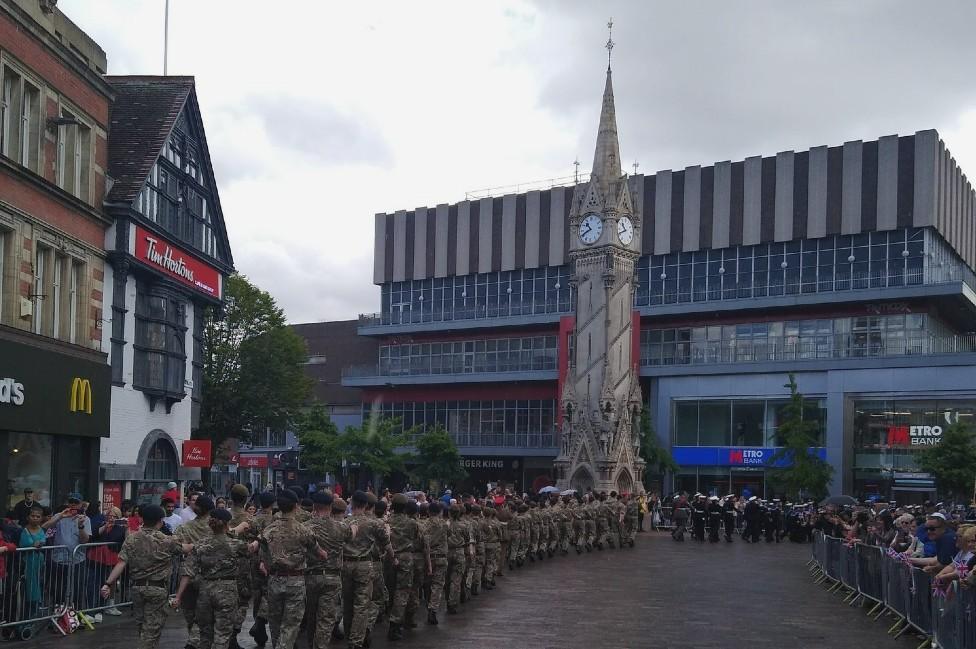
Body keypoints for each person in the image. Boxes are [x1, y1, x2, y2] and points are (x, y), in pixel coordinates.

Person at [101, 505, 191, 649]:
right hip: (157, 589)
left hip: (137, 588)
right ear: (160, 521)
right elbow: (186, 548)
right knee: (151, 632)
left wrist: (107, 583)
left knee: (144, 629)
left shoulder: (132, 539)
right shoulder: (166, 540)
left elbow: (121, 563)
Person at [258, 490, 325, 649]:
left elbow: (263, 558)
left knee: (275, 622)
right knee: (291, 624)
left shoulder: (268, 530)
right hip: (295, 580)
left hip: (274, 580)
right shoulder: (303, 529)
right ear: (296, 506)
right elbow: (320, 553)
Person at [175, 508, 249, 649]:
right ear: (227, 524)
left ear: (210, 524)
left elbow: (188, 571)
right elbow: (250, 549)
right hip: (227, 591)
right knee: (222, 633)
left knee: (205, 634)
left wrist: (178, 596)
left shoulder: (200, 545)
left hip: (205, 591)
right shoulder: (236, 544)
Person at [341, 490, 394, 649]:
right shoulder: (374, 523)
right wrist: (393, 557)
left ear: (351, 504)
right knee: (362, 604)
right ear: (366, 505)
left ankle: (350, 634)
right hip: (364, 565)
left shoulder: (344, 522)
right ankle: (356, 641)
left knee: (348, 603)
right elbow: (386, 542)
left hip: (345, 565)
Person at [304, 491, 351, 649]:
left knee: (311, 616)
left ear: (313, 507)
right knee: (326, 619)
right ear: (331, 507)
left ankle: (311, 644)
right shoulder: (340, 527)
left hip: (310, 577)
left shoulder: (304, 527)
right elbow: (353, 533)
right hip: (332, 577)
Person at [43, 494, 91, 607]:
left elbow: (85, 541)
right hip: (59, 559)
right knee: (58, 589)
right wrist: (60, 516)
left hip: (77, 560)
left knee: (77, 589)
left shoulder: (85, 519)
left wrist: (80, 526)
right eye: (71, 501)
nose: (73, 504)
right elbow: (43, 528)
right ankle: (59, 615)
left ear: (80, 504)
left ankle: (76, 616)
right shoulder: (59, 516)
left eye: (76, 502)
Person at [386, 493, 419, 641]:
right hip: (405, 558)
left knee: (390, 588)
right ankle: (395, 624)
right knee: (402, 591)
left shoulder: (386, 521)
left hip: (389, 557)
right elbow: (416, 538)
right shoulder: (411, 523)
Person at [18, 507, 46, 620]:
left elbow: (43, 542)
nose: (35, 518)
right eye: (33, 516)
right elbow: (23, 544)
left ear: (41, 518)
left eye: (38, 516)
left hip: (39, 563)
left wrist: (39, 544)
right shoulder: (24, 530)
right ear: (28, 517)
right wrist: (32, 545)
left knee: (38, 584)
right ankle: (26, 614)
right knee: (29, 587)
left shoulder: (41, 530)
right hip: (28, 563)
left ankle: (35, 610)